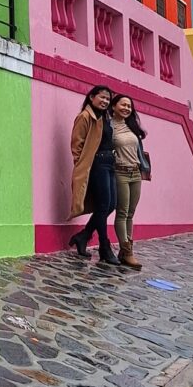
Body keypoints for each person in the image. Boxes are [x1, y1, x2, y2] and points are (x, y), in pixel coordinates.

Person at [68, 85, 119, 265]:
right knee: (103, 205)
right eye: (102, 97)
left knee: (111, 205)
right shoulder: (85, 117)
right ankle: (104, 247)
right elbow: (76, 145)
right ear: (91, 97)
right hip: (96, 163)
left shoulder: (105, 117)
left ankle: (84, 235)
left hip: (109, 164)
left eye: (108, 99)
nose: (105, 101)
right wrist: (83, 166)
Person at [110, 93, 149, 270]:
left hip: (135, 173)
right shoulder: (109, 126)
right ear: (113, 106)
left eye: (129, 106)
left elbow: (139, 150)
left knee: (131, 213)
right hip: (120, 173)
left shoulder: (132, 126)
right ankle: (127, 252)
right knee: (122, 212)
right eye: (123, 105)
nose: (126, 108)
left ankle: (126, 249)